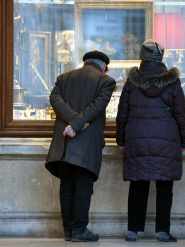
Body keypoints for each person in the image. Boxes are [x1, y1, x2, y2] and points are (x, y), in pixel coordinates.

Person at [116, 39, 185, 242]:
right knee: (165, 185)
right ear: (161, 58)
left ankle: (133, 231)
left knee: (138, 184)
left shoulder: (132, 80)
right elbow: (181, 114)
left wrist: (120, 139)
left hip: (137, 138)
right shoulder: (172, 81)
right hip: (166, 139)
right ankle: (163, 231)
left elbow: (122, 112)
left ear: (141, 57)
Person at [45, 50, 116, 242]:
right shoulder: (106, 81)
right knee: (83, 187)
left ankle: (68, 230)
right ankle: (80, 230)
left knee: (67, 186)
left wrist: (71, 124)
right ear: (103, 66)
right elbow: (97, 107)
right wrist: (77, 124)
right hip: (86, 142)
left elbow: (55, 101)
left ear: (85, 62)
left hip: (64, 143)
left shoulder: (64, 78)